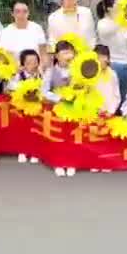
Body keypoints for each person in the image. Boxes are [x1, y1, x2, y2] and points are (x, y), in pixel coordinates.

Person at [42, 40, 78, 177]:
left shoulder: (77, 70)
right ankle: (58, 163)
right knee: (58, 137)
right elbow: (44, 91)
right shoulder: (51, 71)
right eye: (64, 53)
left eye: (70, 52)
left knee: (72, 137)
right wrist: (59, 98)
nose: (68, 56)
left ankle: (71, 162)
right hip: (56, 108)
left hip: (74, 108)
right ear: (57, 56)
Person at [95, 0, 127, 99]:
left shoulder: (124, 23)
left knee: (125, 97)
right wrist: (122, 16)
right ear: (109, 8)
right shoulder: (103, 24)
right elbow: (112, 28)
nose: (123, 5)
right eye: (119, 3)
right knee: (115, 97)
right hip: (114, 64)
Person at [0, 1, 48, 67]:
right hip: (14, 69)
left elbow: (43, 53)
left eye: (25, 11)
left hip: (35, 69)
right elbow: (2, 56)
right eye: (18, 11)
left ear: (28, 13)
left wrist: (41, 67)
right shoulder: (6, 32)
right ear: (12, 13)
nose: (21, 14)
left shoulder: (37, 28)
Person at [92, 45, 121, 118]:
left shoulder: (112, 74)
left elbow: (116, 95)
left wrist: (111, 111)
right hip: (93, 114)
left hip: (109, 114)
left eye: (105, 57)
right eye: (100, 57)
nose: (104, 60)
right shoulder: (90, 75)